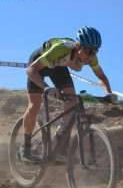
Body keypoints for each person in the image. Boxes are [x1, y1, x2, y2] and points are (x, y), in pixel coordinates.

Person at [21, 26, 117, 164]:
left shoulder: (91, 58)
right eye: (88, 50)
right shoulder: (60, 50)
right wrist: (47, 88)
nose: (90, 55)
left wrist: (108, 93)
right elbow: (30, 70)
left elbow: (101, 76)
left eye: (95, 51)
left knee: (72, 100)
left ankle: (60, 137)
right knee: (34, 106)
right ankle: (25, 147)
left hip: (59, 68)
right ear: (78, 46)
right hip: (39, 66)